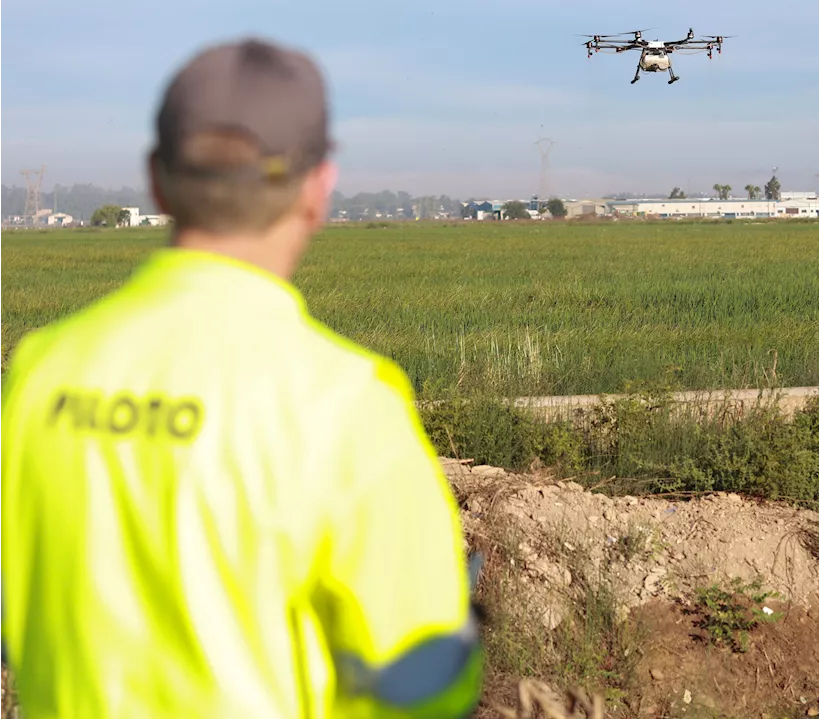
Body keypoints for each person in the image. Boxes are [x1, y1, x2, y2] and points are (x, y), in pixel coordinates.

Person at [0, 37, 483, 718]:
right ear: (318, 188)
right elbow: (420, 682)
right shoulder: (347, 403)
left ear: (157, 180)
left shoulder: (42, 368)